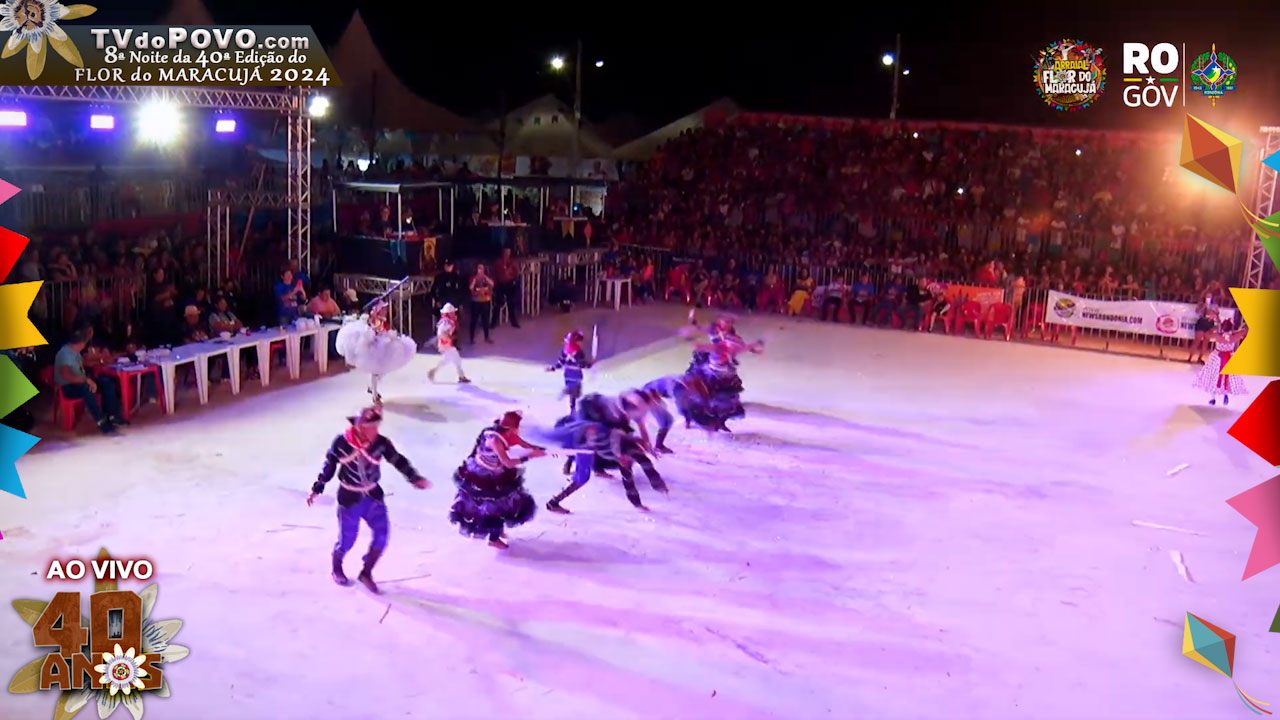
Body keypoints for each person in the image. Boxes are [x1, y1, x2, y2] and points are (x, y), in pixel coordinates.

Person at [308, 406, 430, 593]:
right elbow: (329, 466)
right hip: (349, 499)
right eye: (370, 427)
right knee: (347, 540)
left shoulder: (381, 443)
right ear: (359, 426)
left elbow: (398, 460)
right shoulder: (341, 443)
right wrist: (318, 487)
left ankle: (366, 572)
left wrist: (414, 477)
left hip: (373, 497)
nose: (374, 430)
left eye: (376, 426)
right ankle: (336, 565)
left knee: (382, 535)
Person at [449, 411, 544, 549]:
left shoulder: (506, 433)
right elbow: (508, 463)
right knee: (494, 507)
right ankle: (493, 538)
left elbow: (520, 442)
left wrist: (535, 448)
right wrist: (530, 456)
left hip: (496, 471)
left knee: (508, 502)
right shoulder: (495, 440)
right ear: (513, 427)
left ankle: (498, 531)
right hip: (483, 476)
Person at [335, 300, 417, 404]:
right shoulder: (375, 319)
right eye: (384, 309)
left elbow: (385, 329)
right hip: (373, 348)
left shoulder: (381, 319)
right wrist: (385, 333)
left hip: (382, 346)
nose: (386, 311)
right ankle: (374, 395)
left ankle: (371, 387)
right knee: (375, 371)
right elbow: (376, 330)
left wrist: (391, 335)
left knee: (382, 370)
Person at [54, 328, 124, 434]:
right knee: (87, 389)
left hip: (80, 381)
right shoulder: (65, 353)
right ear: (81, 343)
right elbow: (67, 376)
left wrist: (102, 361)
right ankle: (102, 422)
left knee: (106, 381)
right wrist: (86, 380)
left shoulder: (75, 351)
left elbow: (84, 363)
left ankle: (112, 416)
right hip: (68, 387)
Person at [1193, 319, 1248, 406]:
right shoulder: (1234, 336)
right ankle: (1225, 395)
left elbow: (1207, 334)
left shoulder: (1218, 335)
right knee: (1227, 377)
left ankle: (1213, 398)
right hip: (1229, 357)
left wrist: (1214, 328)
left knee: (1214, 377)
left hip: (1217, 358)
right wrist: (1241, 328)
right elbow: (1245, 331)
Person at [546, 329, 591, 412]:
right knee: (576, 393)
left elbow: (560, 363)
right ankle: (570, 399)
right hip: (576, 374)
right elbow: (581, 364)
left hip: (567, 374)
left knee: (572, 393)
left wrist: (553, 368)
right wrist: (589, 365)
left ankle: (572, 407)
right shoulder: (579, 352)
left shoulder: (565, 351)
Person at [427, 303, 469, 383]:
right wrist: (448, 338)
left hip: (446, 343)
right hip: (446, 343)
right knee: (455, 359)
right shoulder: (446, 322)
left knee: (447, 360)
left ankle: (433, 371)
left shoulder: (448, 321)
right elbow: (440, 333)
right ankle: (461, 376)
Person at [492, 247, 521, 329]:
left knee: (511, 303)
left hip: (510, 284)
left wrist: (514, 281)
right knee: (497, 303)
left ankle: (514, 322)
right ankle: (493, 323)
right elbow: (495, 274)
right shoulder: (498, 263)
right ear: (503, 253)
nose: (507, 254)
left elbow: (517, 273)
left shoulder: (512, 262)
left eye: (508, 253)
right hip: (500, 284)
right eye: (506, 253)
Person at [468, 263, 495, 344]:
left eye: (482, 268)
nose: (480, 270)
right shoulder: (473, 278)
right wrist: (475, 279)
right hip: (476, 302)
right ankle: (472, 338)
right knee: (474, 320)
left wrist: (485, 277)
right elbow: (470, 287)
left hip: (485, 301)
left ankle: (487, 337)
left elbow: (492, 284)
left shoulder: (486, 277)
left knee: (485, 320)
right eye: (479, 268)